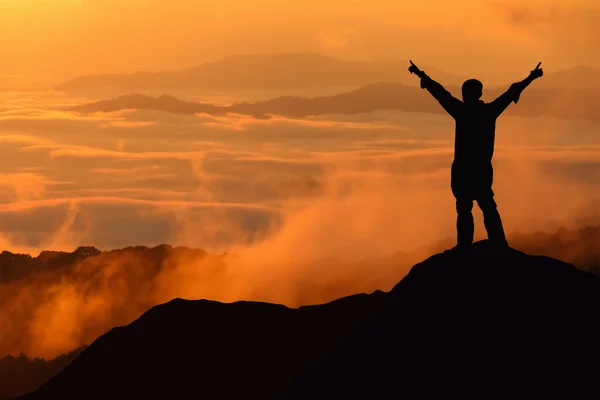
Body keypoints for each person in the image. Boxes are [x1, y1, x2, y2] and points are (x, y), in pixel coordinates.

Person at [408, 61, 544, 247]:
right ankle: (498, 244)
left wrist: (422, 76)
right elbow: (511, 92)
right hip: (480, 171)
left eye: (465, 92)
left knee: (467, 209)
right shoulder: (488, 112)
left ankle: (466, 247)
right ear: (479, 93)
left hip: (463, 171)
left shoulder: (462, 111)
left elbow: (441, 94)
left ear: (468, 94)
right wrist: (531, 77)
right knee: (486, 206)